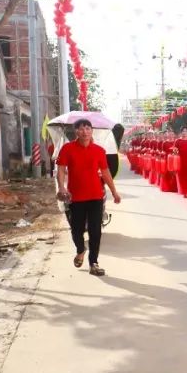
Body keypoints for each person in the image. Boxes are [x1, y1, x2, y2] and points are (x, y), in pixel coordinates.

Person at [56, 118, 122, 277]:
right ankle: (80, 249)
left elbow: (105, 173)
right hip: (75, 197)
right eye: (81, 128)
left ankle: (94, 262)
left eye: (87, 128)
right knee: (76, 230)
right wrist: (62, 187)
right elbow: (61, 170)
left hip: (95, 196)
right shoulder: (67, 149)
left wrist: (114, 192)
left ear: (92, 131)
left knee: (95, 231)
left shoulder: (99, 151)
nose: (84, 131)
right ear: (76, 131)